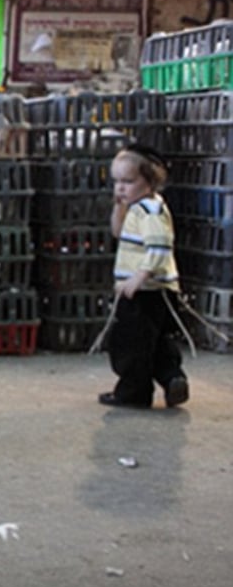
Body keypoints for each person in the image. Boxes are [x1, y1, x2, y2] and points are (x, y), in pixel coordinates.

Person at [99, 144, 189, 410]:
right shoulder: (138, 209)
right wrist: (118, 209)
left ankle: (133, 393)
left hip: (146, 290)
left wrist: (140, 277)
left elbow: (160, 245)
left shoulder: (150, 211)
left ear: (150, 182)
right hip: (154, 290)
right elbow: (118, 233)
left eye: (128, 182)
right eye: (116, 182)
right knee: (156, 342)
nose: (120, 188)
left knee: (131, 343)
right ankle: (172, 378)